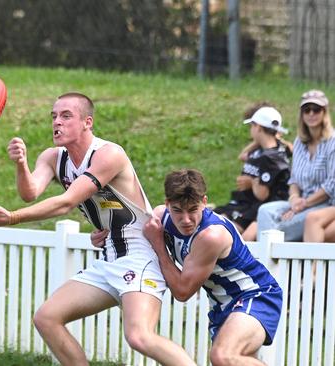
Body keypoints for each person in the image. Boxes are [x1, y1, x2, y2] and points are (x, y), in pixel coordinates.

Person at [0, 93, 194, 365]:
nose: (56, 123)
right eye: (53, 116)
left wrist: (12, 218)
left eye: (65, 116)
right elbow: (30, 192)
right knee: (46, 318)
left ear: (87, 122)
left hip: (141, 253)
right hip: (110, 254)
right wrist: (21, 164)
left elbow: (66, 202)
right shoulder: (53, 157)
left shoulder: (109, 154)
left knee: (139, 336)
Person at [142, 169, 282, 366]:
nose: (186, 220)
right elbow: (128, 234)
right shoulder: (160, 217)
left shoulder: (211, 236)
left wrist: (158, 245)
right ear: (167, 204)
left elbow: (182, 292)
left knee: (222, 355)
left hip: (255, 295)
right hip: (220, 305)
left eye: (192, 209)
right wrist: (104, 236)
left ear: (204, 202)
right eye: (177, 211)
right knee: (230, 360)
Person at [256, 90, 335, 241]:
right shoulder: (299, 142)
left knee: (281, 227)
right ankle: (266, 259)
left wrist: (303, 204)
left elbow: (331, 186)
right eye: (307, 110)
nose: (311, 113)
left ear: (324, 112)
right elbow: (294, 180)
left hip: (325, 204)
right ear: (302, 114)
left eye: (316, 109)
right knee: (265, 211)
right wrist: (294, 199)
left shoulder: (332, 142)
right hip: (300, 200)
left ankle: (268, 259)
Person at [214, 106, 291, 241]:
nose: (251, 129)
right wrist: (259, 139)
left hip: (258, 207)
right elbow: (243, 156)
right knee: (213, 222)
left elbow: (262, 195)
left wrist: (251, 181)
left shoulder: (270, 158)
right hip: (243, 203)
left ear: (259, 127)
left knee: (222, 233)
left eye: (252, 126)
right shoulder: (261, 151)